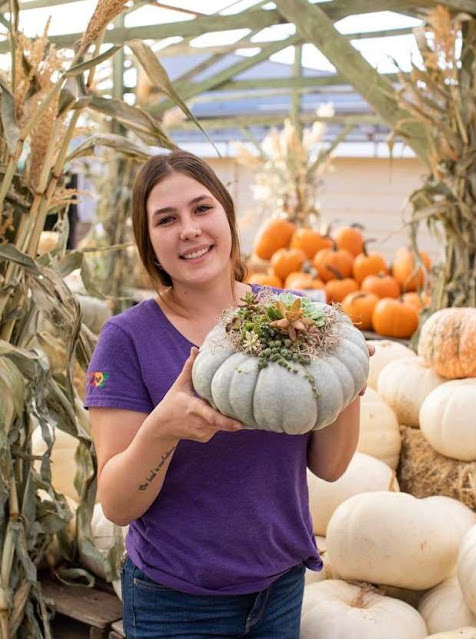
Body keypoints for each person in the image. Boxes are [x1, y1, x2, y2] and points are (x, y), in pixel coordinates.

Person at [84, 150, 369, 639]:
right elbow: (117, 505)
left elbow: (331, 467)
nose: (189, 229)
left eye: (201, 208)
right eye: (166, 219)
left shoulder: (294, 318)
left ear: (227, 216)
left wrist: (348, 381)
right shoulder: (126, 339)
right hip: (174, 603)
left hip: (280, 589)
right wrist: (163, 428)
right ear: (149, 242)